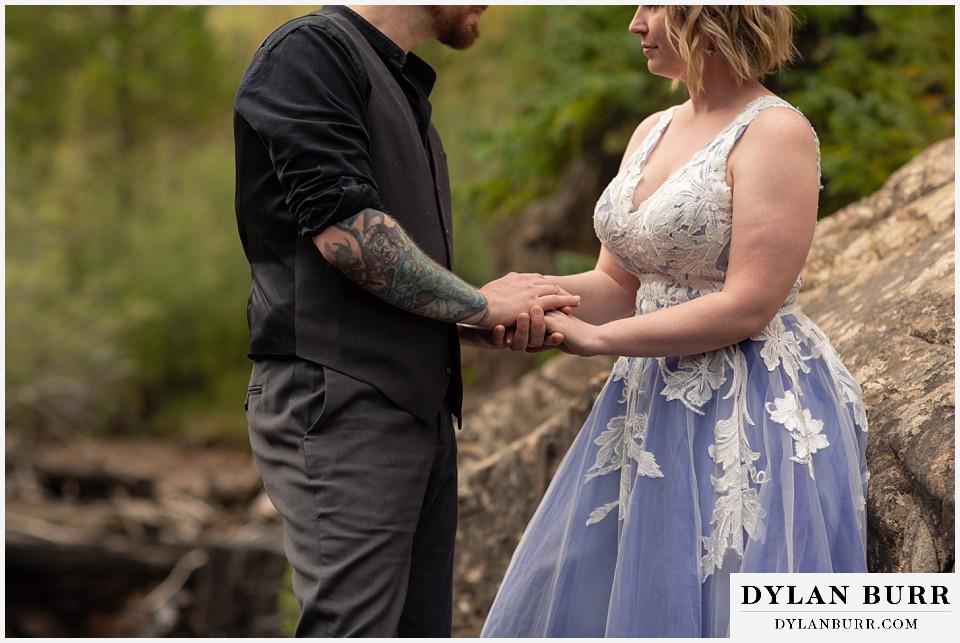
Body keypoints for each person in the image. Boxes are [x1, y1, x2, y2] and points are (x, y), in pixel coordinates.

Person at [482, 5, 869, 638]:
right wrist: (514, 300)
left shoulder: (776, 133)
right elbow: (617, 283)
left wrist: (601, 341)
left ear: (712, 16)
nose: (635, 24)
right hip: (648, 397)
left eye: (653, 7)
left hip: (746, 403)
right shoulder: (652, 129)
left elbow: (749, 305)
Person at [233, 5, 578, 637]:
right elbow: (346, 233)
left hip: (414, 407)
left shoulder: (397, 78)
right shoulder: (309, 53)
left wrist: (467, 315)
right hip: (339, 397)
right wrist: (480, 304)